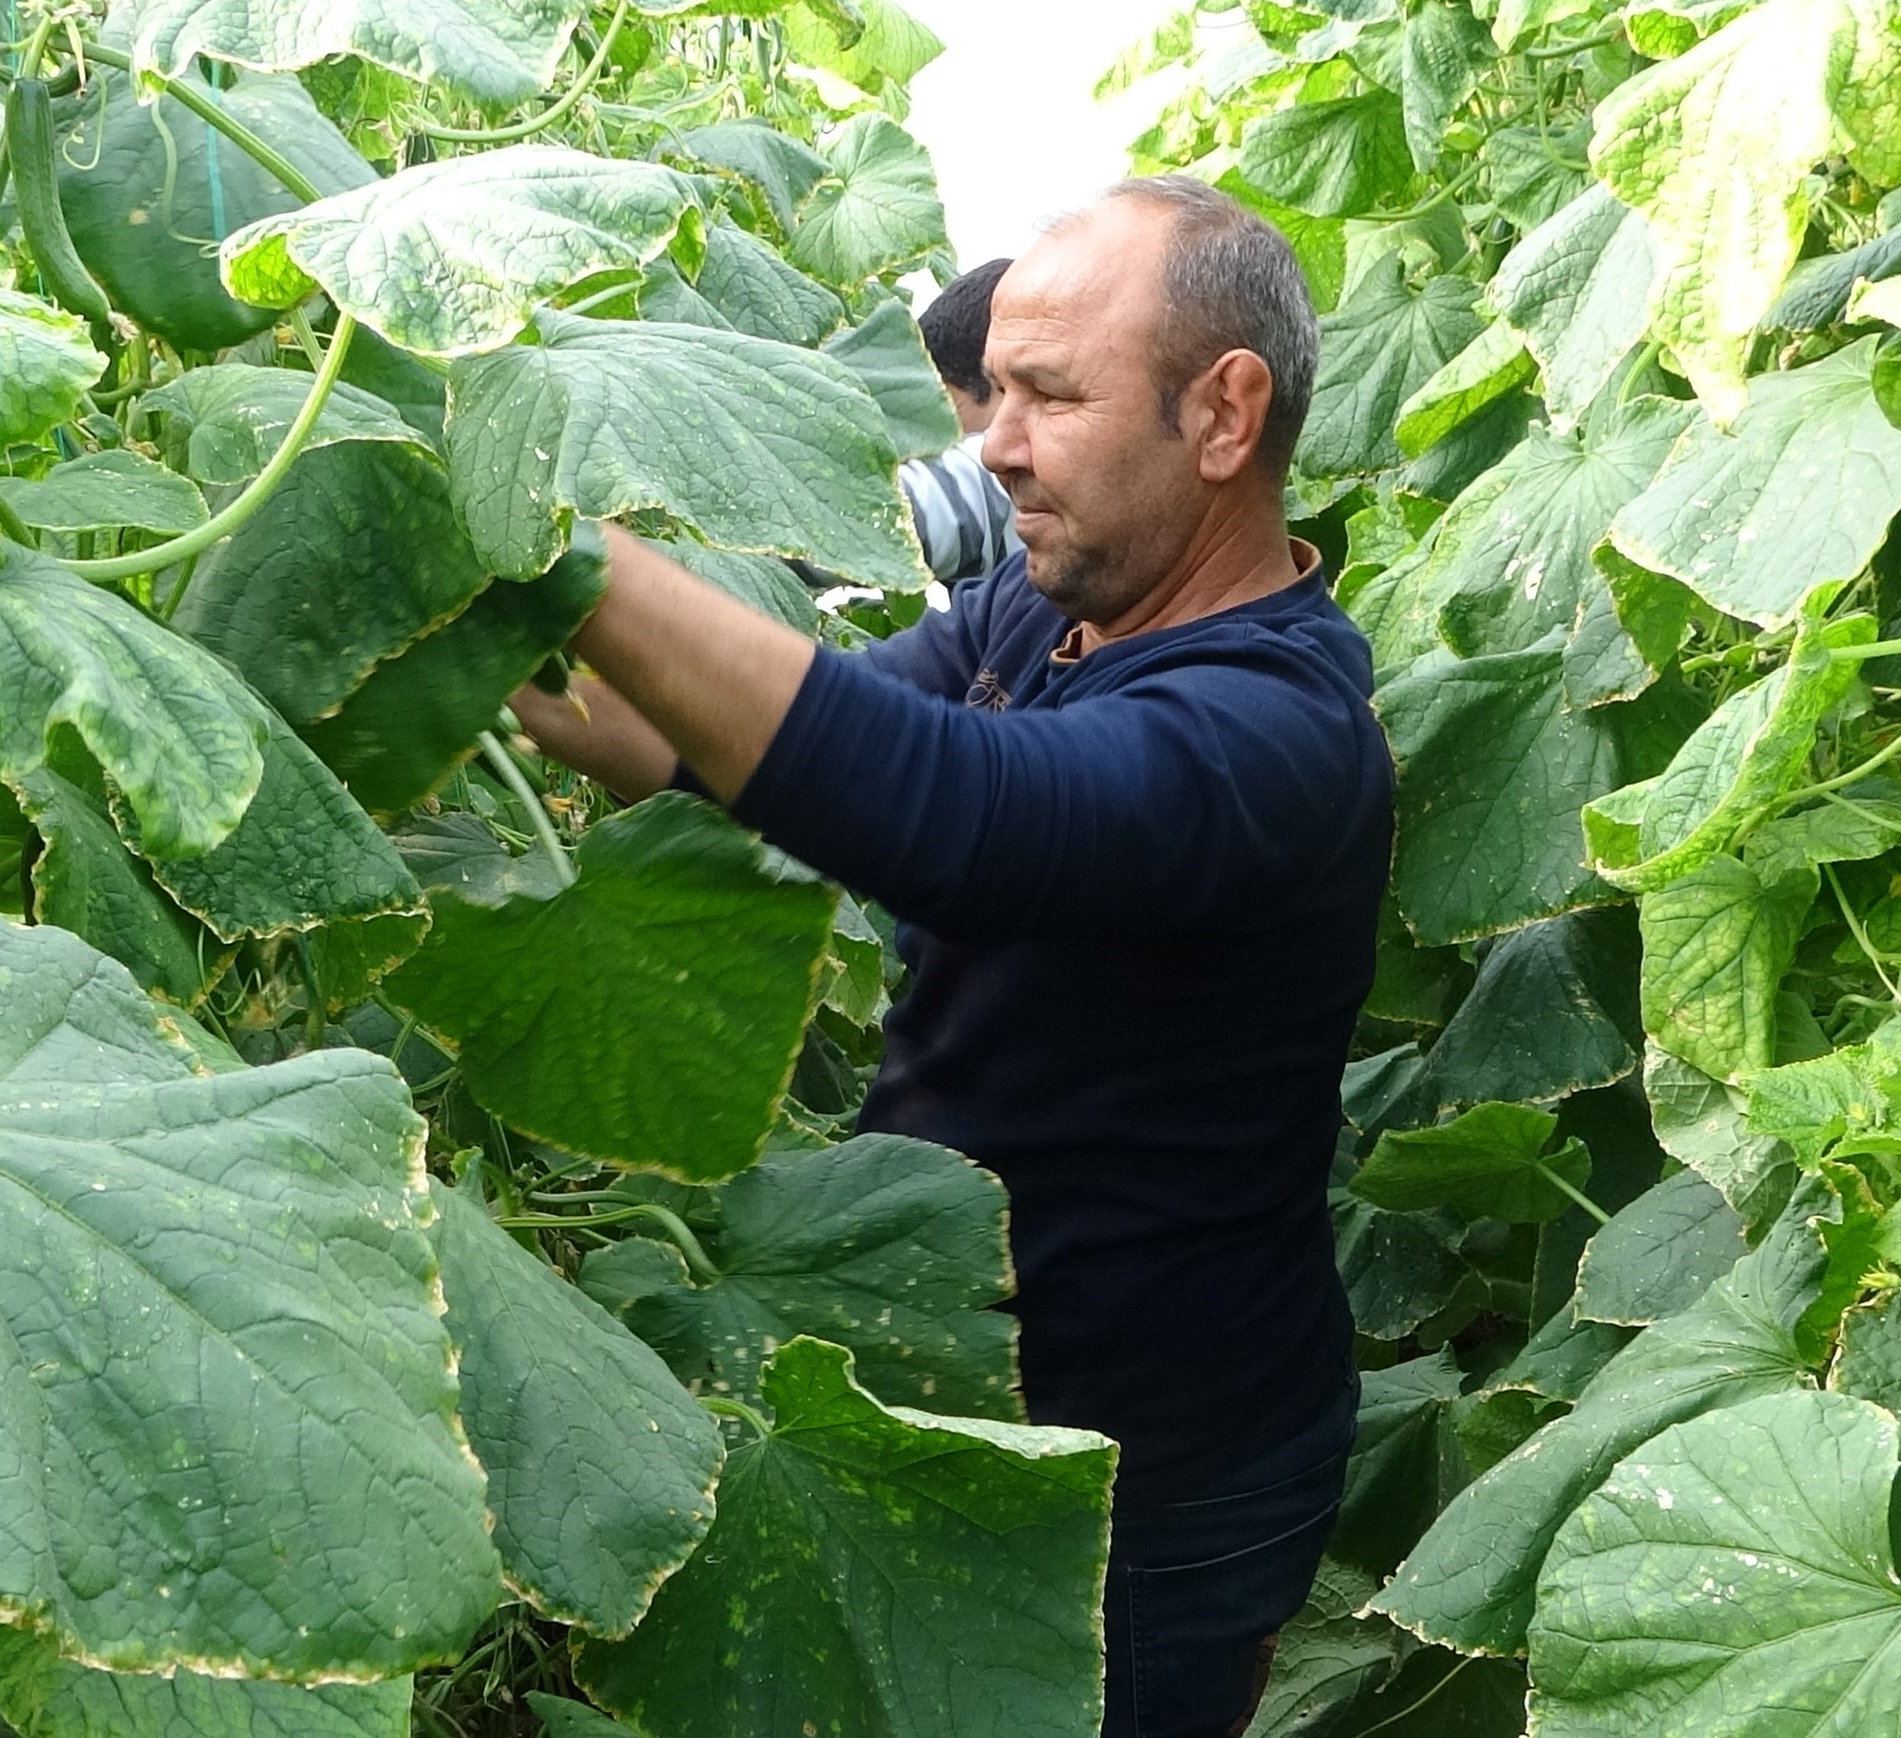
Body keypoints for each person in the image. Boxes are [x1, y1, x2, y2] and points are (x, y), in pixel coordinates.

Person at [513, 176, 1388, 1738]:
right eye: (992, 389)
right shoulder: (1031, 610)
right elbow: (736, 745)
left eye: (1047, 394)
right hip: (943, 1370)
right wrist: (481, 638)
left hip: (1155, 1484)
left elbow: (957, 823)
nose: (992, 440)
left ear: (1222, 412)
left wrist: (554, 540)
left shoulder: (1276, 729)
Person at [899, 256, 1017, 582]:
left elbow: (878, 515)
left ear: (1006, 384)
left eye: (944, 421)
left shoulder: (998, 482)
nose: (930, 449)